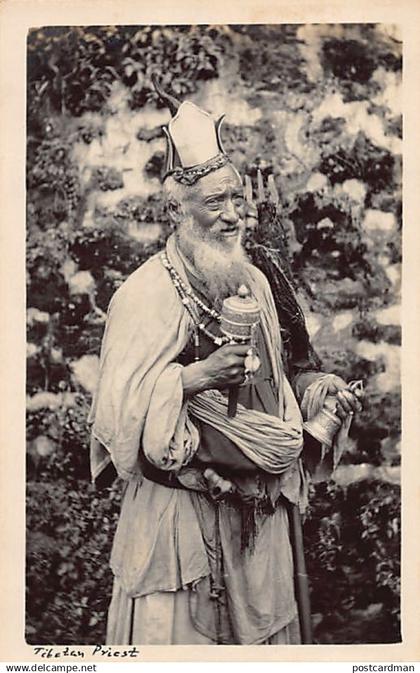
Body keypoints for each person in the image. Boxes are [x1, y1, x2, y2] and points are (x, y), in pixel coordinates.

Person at [89, 81, 362, 645]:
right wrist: (195, 378)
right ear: (175, 210)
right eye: (215, 202)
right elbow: (116, 424)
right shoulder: (142, 297)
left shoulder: (257, 281)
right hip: (179, 528)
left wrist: (318, 393)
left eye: (237, 199)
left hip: (258, 526)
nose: (235, 215)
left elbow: (281, 379)